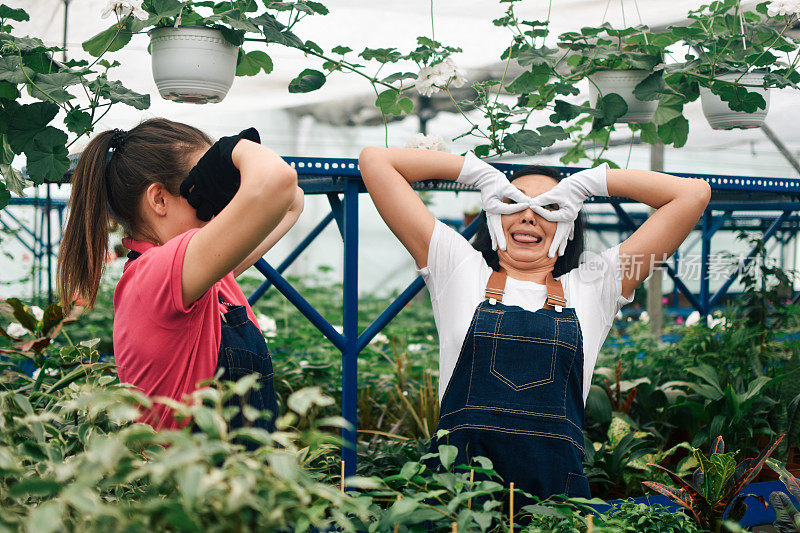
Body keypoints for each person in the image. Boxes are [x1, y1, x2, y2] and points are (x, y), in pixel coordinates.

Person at [358, 147, 710, 501]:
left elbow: (692, 195)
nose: (529, 215)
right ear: (492, 214)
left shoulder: (595, 286)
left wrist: (589, 182)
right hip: (458, 501)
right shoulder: (458, 268)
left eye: (551, 207)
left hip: (554, 506)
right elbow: (376, 162)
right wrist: (478, 173)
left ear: (570, 226)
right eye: (513, 201)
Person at [58, 118, 302, 432]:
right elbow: (278, 182)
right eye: (202, 188)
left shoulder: (205, 277)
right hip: (190, 476)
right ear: (159, 199)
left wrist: (224, 174)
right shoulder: (157, 273)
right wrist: (230, 149)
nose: (215, 206)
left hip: (237, 476)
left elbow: (290, 201)